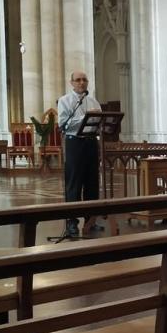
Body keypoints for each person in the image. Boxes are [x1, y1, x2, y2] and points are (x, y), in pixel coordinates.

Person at [57, 70, 102, 237]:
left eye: (84, 80)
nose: (81, 83)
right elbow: (63, 123)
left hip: (91, 142)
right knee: (74, 184)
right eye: (78, 80)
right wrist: (85, 117)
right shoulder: (65, 101)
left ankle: (91, 221)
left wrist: (100, 119)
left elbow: (100, 121)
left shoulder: (93, 101)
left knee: (92, 184)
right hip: (74, 143)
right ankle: (71, 223)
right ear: (72, 83)